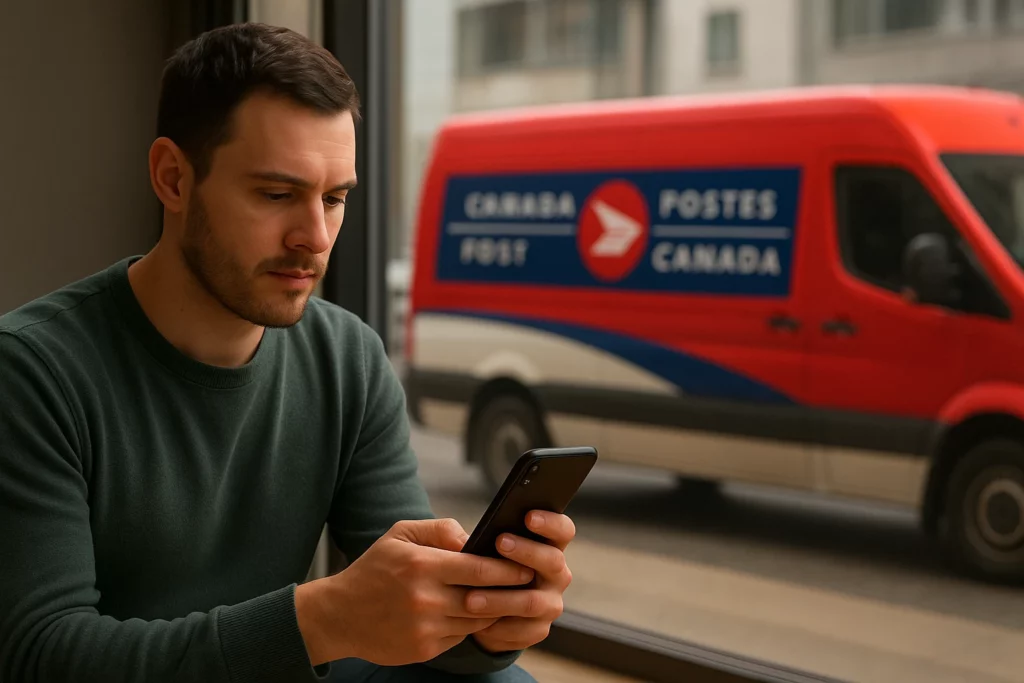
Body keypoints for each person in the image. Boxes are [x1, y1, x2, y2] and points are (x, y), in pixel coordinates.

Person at [0, 23, 576, 683]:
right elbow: (40, 659)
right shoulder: (29, 372)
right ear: (173, 178)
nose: (314, 236)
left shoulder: (349, 358)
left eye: (333, 199)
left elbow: (415, 613)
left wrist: (484, 616)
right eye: (277, 195)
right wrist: (318, 620)